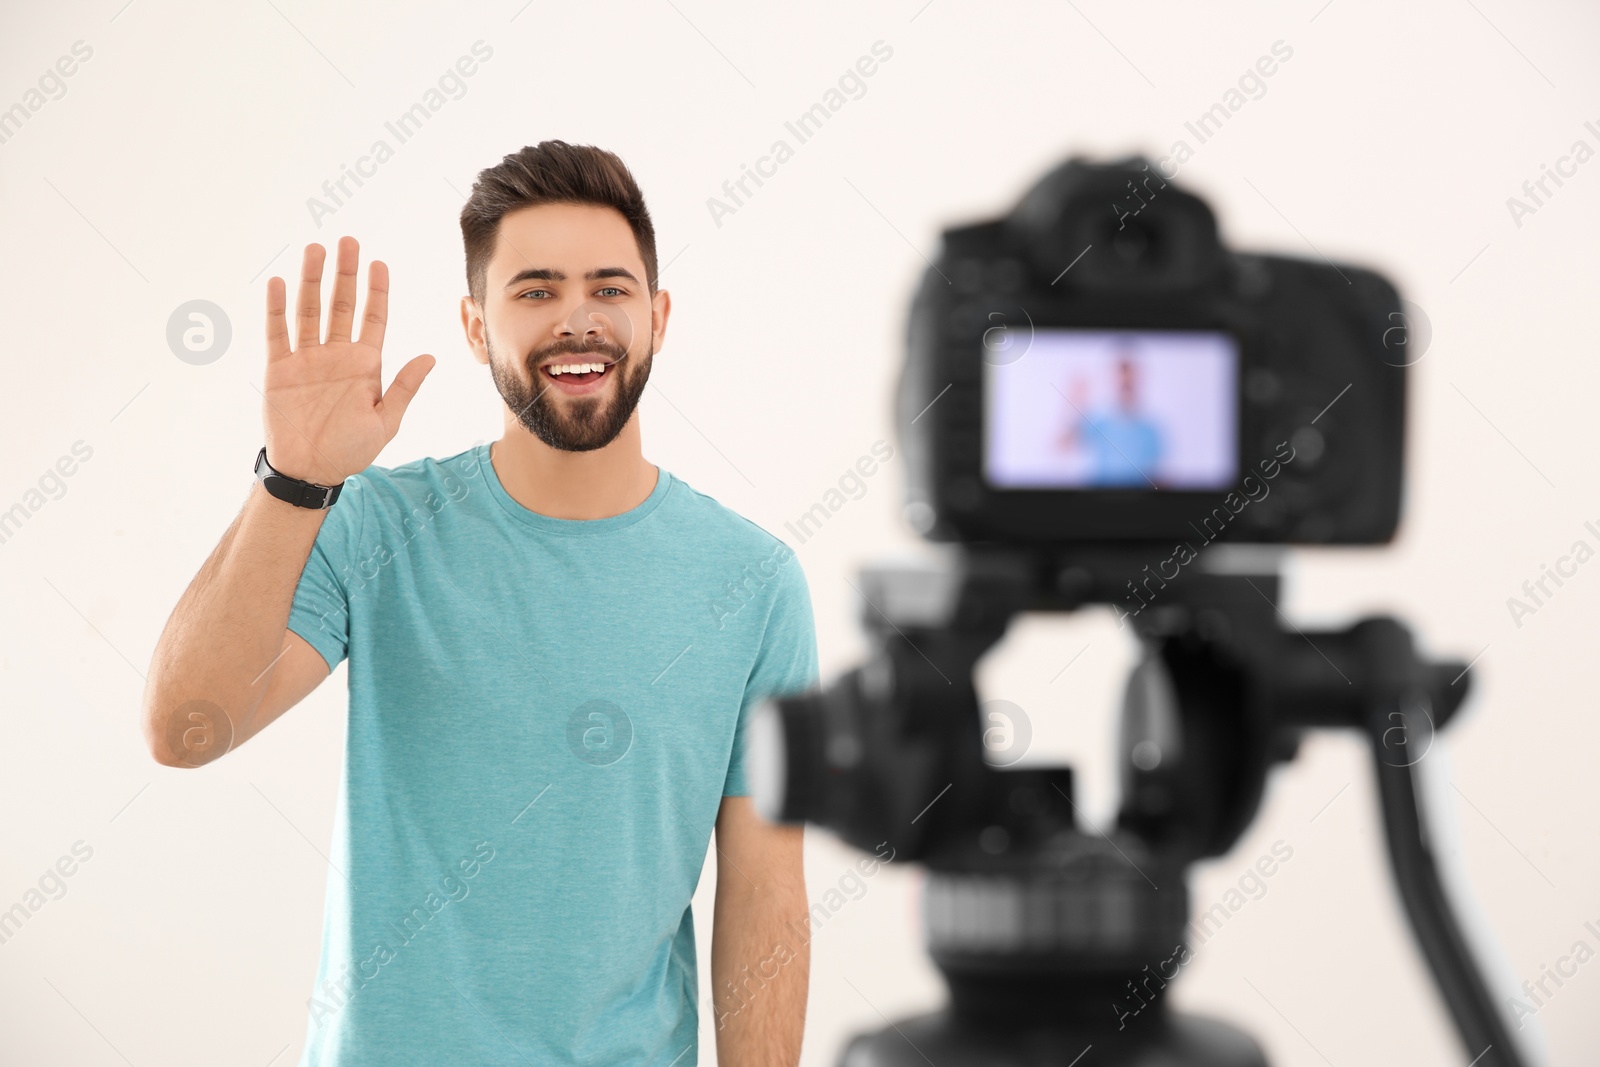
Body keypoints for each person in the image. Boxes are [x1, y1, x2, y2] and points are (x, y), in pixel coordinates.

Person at [140, 141, 817, 1066]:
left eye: (610, 289)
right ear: (473, 325)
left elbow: (766, 902)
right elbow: (186, 730)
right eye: (534, 291)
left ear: (657, 316)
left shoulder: (755, 582)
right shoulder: (370, 521)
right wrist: (295, 481)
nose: (578, 320)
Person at [1056, 348, 1164, 487]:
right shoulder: (1100, 422)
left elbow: (1158, 475)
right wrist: (1074, 402)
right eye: (1122, 384)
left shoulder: (1150, 430)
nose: (1126, 388)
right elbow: (1062, 444)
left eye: (1129, 384)